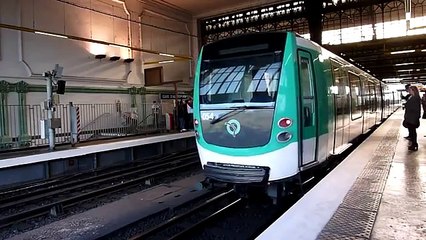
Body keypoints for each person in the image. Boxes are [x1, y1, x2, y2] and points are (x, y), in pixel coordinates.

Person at [403, 86, 421, 151]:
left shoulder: (415, 98)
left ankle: (414, 145)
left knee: (412, 132)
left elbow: (415, 109)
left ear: (413, 90)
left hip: (412, 118)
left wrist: (407, 106)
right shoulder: (413, 97)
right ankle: (414, 144)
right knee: (412, 132)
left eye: (410, 90)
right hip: (411, 117)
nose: (409, 91)